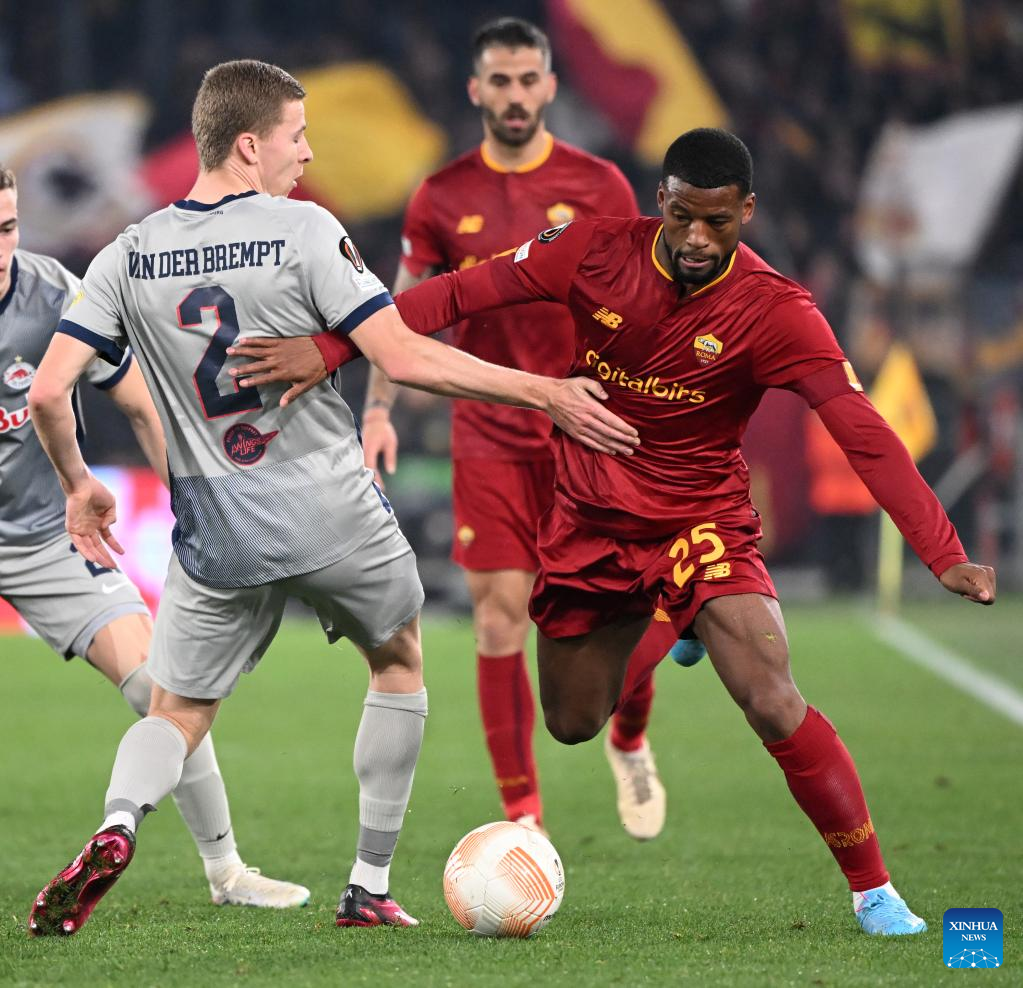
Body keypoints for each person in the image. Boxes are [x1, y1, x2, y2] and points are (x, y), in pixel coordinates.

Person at [240, 128, 996, 937]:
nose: (697, 238)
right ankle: (672, 624)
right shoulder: (590, 251)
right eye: (682, 217)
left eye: (717, 222)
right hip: (589, 521)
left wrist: (942, 552)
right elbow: (456, 294)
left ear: (746, 211)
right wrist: (331, 348)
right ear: (659, 201)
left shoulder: (777, 310)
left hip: (699, 521)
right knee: (570, 723)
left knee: (770, 697)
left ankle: (874, 891)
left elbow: (860, 429)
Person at [25, 59, 637, 938]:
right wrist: (545, 393)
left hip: (215, 525)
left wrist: (79, 483)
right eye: (297, 135)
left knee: (179, 711)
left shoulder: (127, 252)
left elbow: (50, 391)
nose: (308, 153)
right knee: (396, 662)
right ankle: (368, 885)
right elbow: (404, 355)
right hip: (329, 506)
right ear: (249, 145)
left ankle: (119, 823)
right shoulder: (304, 231)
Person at [358, 17, 675, 840]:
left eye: (527, 79)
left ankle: (630, 738)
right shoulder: (441, 195)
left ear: (549, 86)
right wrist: (378, 410)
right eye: (499, 81)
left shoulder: (599, 184)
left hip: (590, 431)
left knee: (623, 610)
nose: (513, 95)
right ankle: (522, 821)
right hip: (490, 434)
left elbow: (643, 303)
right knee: (500, 619)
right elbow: (397, 311)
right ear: (476, 89)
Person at [0, 164, 309, 911]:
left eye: (6, 228)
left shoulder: (53, 294)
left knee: (160, 685)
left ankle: (226, 872)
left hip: (44, 535)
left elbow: (140, 405)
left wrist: (199, 500)